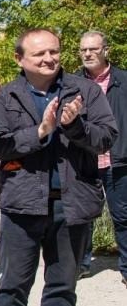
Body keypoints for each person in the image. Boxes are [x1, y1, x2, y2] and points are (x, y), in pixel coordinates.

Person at [0, 28, 117, 305]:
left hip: (71, 209)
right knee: (12, 289)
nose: (49, 58)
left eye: (54, 51)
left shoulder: (86, 91)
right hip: (21, 207)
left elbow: (107, 138)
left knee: (62, 290)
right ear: (19, 58)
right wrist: (40, 132)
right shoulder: (5, 96)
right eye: (39, 53)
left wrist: (76, 128)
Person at [76, 30, 127, 286]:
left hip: (119, 162)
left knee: (124, 216)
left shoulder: (123, 81)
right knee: (83, 216)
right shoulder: (71, 83)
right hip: (85, 161)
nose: (87, 54)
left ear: (105, 50)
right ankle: (81, 266)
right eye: (83, 49)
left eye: (93, 49)